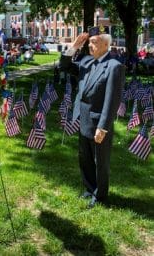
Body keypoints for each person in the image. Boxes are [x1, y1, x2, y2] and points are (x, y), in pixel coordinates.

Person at [60, 26, 125, 208]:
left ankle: (100, 195)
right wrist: (73, 47)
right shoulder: (87, 62)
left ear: (106, 44)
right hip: (84, 120)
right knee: (85, 159)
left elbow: (112, 99)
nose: (90, 46)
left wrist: (103, 126)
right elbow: (64, 66)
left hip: (98, 123)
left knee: (100, 162)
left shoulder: (114, 66)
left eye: (94, 42)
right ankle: (89, 189)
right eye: (89, 43)